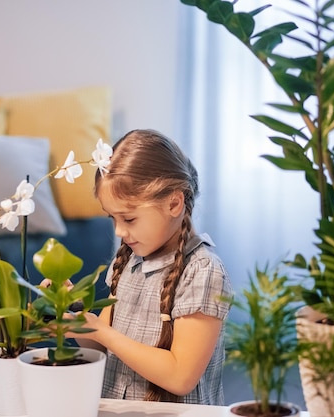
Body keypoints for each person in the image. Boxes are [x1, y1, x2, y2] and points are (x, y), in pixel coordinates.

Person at [72, 129, 233, 405]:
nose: (120, 231)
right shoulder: (127, 262)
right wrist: (75, 320)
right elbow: (101, 345)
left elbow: (181, 377)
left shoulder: (203, 271)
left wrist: (101, 331)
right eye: (113, 219)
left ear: (173, 203)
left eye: (129, 219)